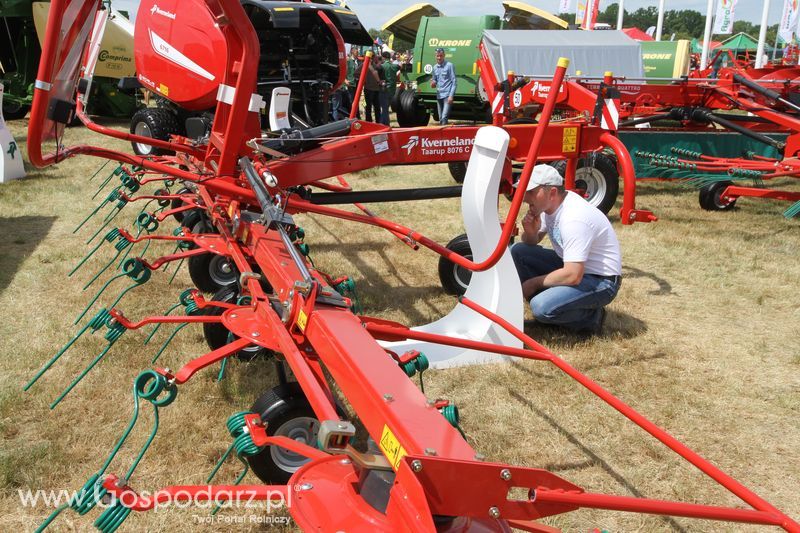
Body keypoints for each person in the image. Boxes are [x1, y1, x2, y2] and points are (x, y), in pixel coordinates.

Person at [511, 164, 622, 335]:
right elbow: (530, 242)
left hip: (601, 280)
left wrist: (532, 284)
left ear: (552, 192)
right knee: (519, 251)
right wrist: (530, 232)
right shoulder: (549, 207)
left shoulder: (574, 218)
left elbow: (573, 275)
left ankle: (591, 318)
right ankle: (558, 304)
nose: (525, 197)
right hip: (575, 268)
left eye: (531, 191)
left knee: (541, 307)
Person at [430, 47, 456, 125]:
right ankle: (443, 134)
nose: (439, 57)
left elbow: (454, 82)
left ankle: (443, 134)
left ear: (444, 55)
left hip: (447, 95)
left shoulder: (449, 65)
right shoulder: (434, 67)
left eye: (441, 56)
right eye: (437, 56)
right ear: (435, 56)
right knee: (440, 117)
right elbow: (434, 80)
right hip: (439, 95)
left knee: (444, 116)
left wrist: (451, 96)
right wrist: (433, 84)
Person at [380, 51, 400, 125]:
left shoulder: (382, 66)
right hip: (392, 89)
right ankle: (384, 123)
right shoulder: (394, 66)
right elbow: (400, 67)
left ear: (383, 57)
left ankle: (383, 124)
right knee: (386, 108)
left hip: (384, 89)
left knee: (384, 109)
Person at [363, 53, 383, 123]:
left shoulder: (376, 66)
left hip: (375, 89)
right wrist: (364, 81)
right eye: (374, 57)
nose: (376, 58)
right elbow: (356, 73)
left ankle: (378, 122)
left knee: (377, 107)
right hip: (369, 89)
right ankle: (369, 122)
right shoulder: (364, 65)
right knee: (369, 107)